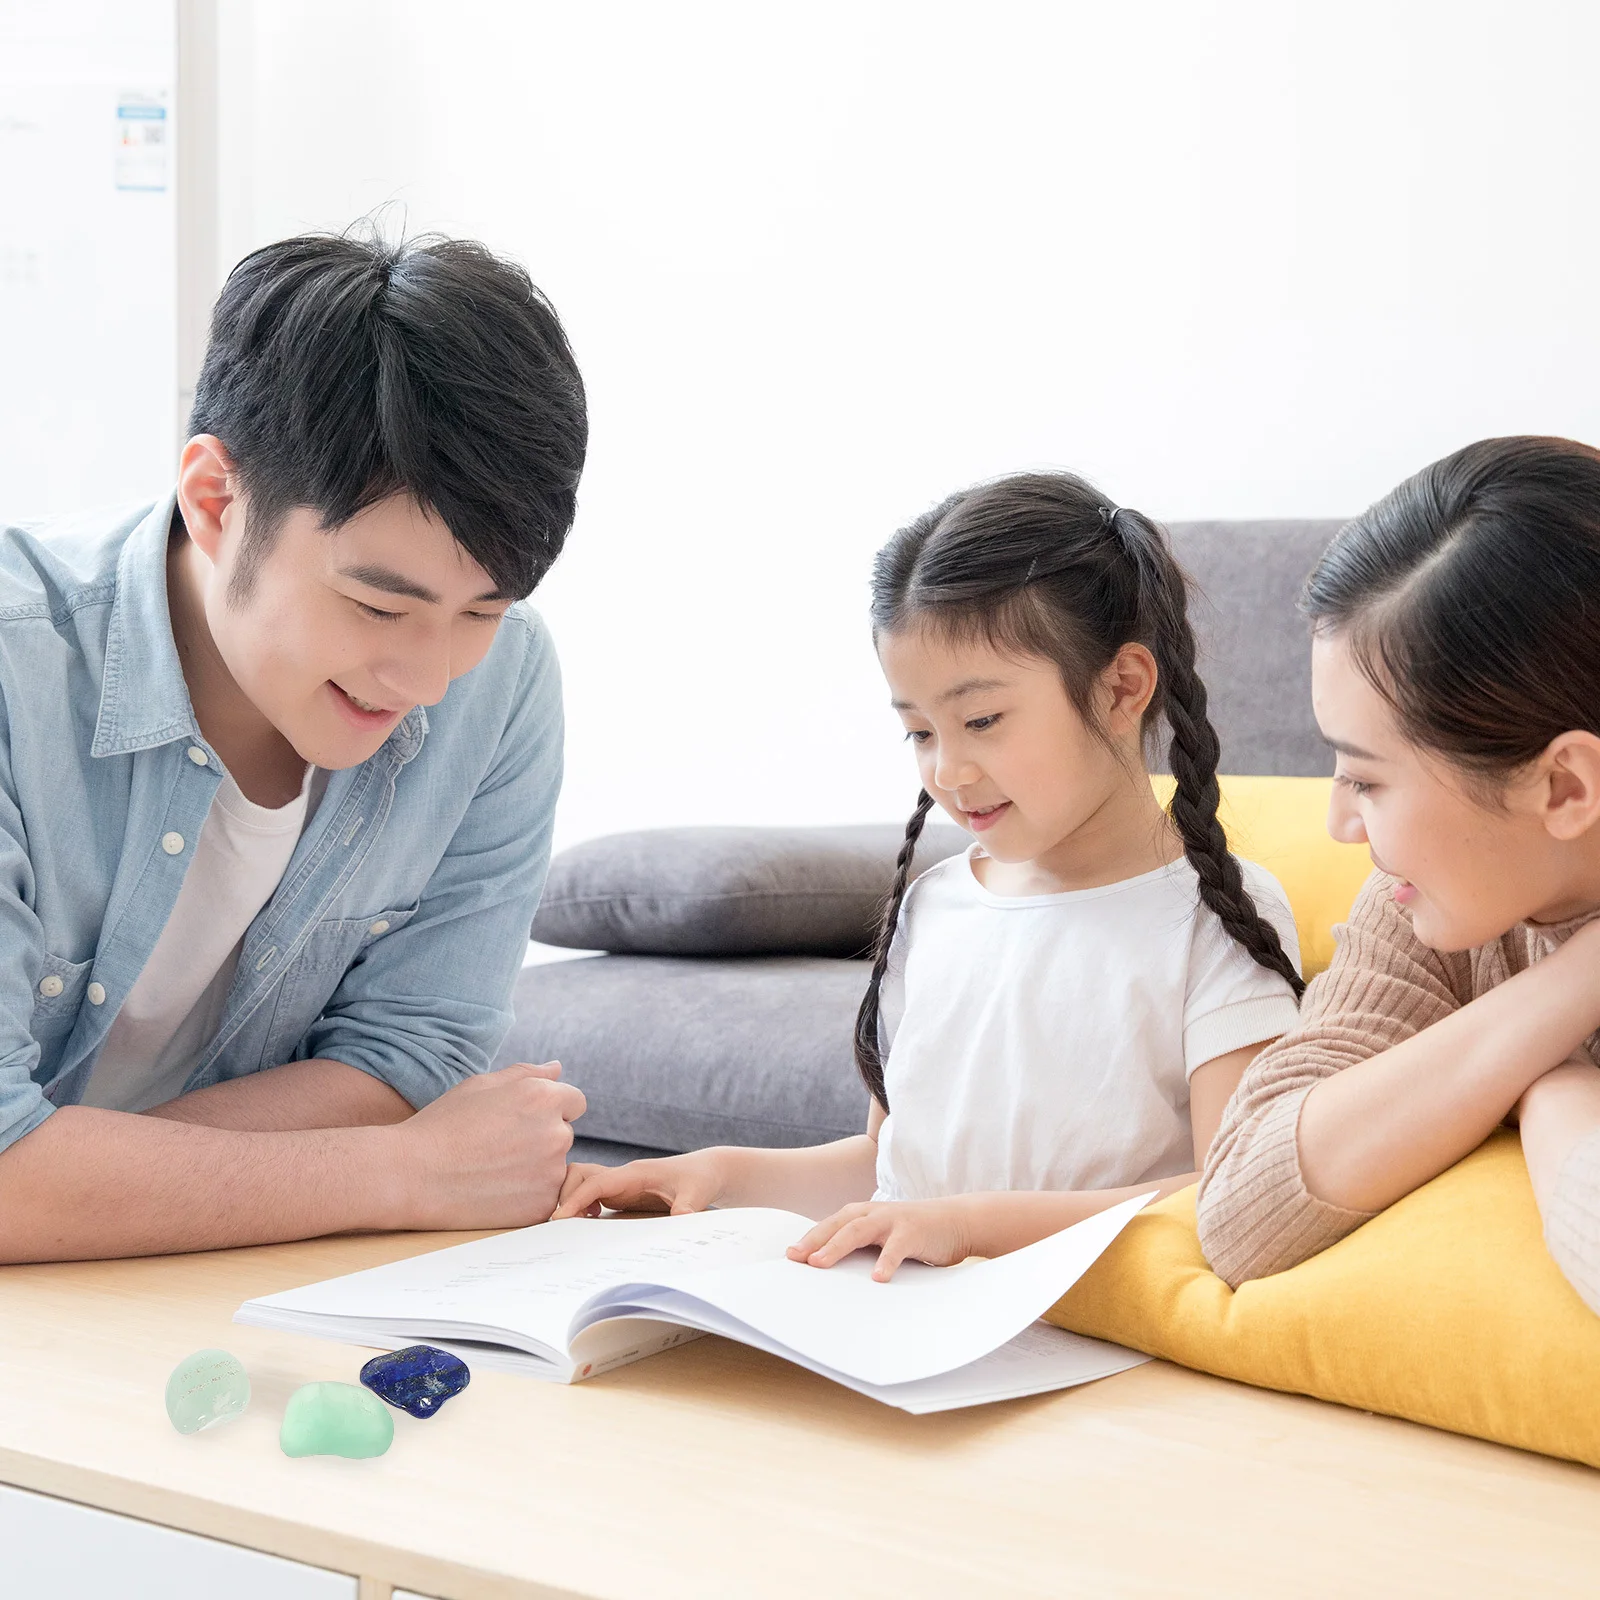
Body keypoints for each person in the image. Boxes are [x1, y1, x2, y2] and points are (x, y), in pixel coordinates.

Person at [0, 230, 591, 1262]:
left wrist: (70, 1180)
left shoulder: (502, 685)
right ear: (216, 501)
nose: (427, 679)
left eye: (481, 610)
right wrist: (404, 1169)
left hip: (208, 1285)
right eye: (375, 603)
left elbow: (412, 1054)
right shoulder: (20, 671)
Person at [555, 472, 1304, 1278]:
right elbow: (887, 1170)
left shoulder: (1213, 917)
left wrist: (974, 1227)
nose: (948, 770)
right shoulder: (937, 906)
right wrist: (720, 1176)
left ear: (1122, 688)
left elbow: (1226, 1196)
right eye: (918, 731)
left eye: (982, 720)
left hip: (1085, 1340)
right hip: (903, 1317)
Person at [1197, 436, 1600, 1315]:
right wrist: (1568, 995)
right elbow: (1237, 1212)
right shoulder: (1436, 904)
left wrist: (1556, 1089)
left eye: (1368, 779)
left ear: (1565, 786)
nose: (1341, 824)